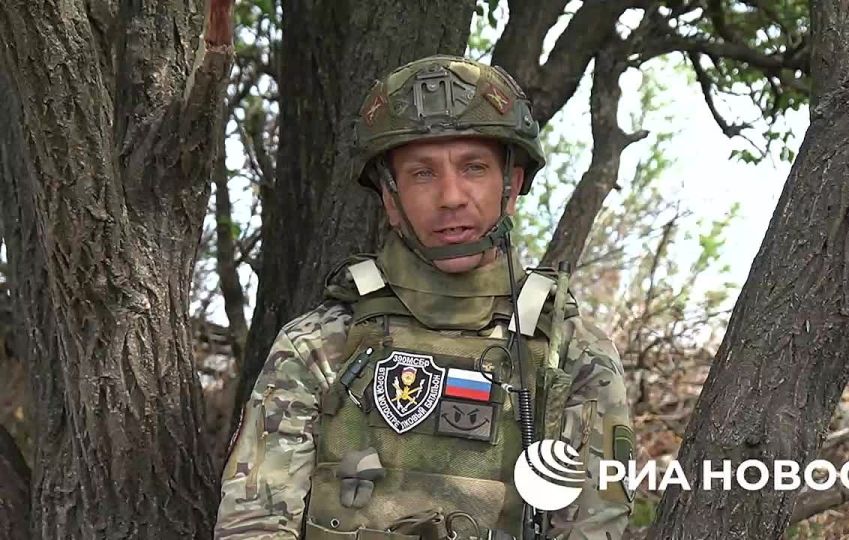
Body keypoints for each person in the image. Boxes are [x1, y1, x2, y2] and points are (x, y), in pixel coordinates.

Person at [215, 55, 635, 540]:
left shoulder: (573, 354)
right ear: (390, 198)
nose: (451, 196)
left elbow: (595, 524)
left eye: (474, 167)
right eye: (422, 174)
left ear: (512, 185)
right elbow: (253, 522)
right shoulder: (321, 343)